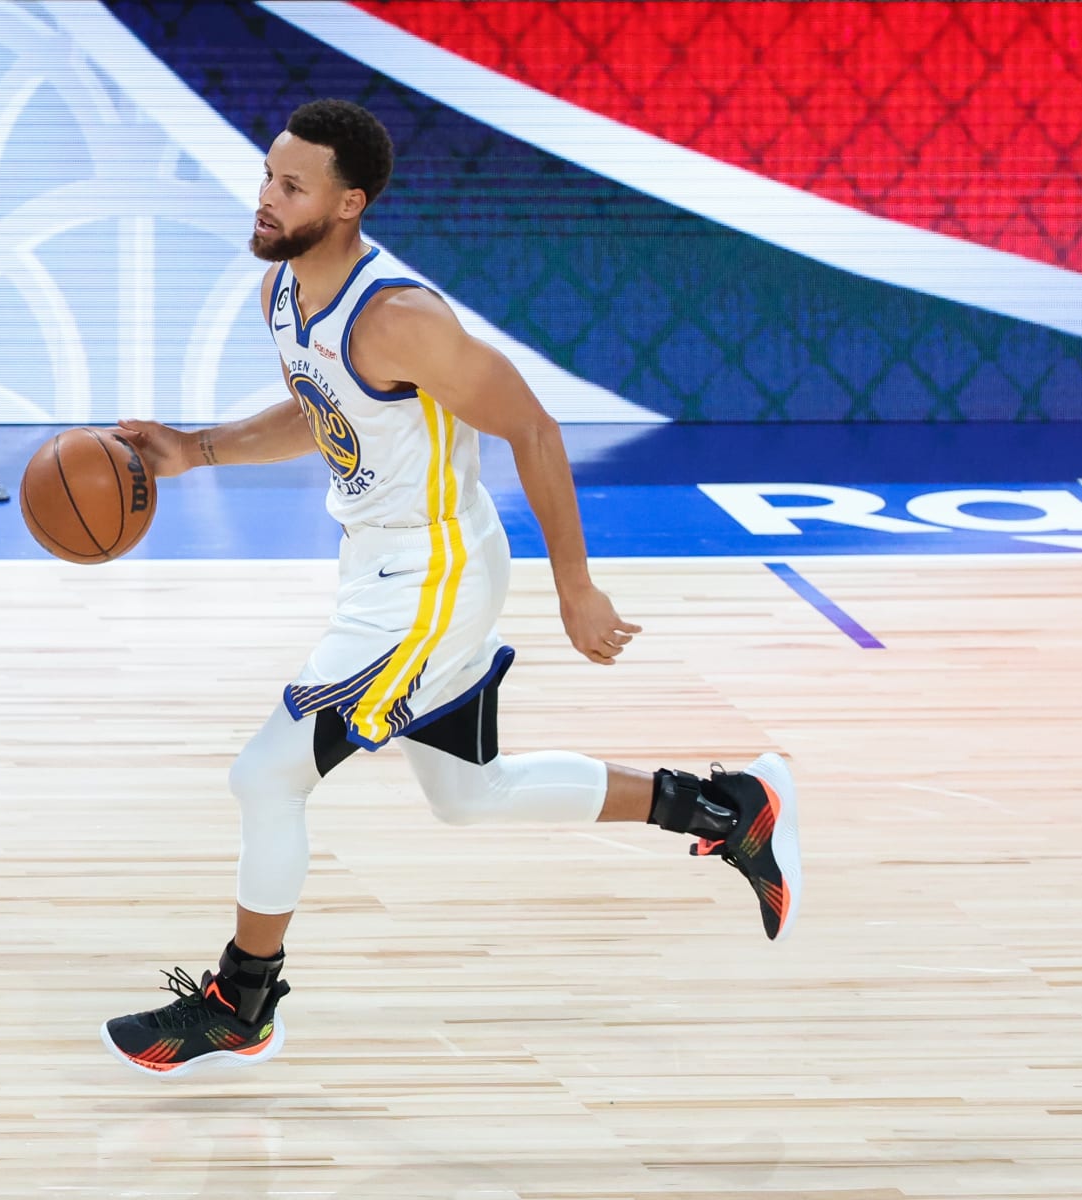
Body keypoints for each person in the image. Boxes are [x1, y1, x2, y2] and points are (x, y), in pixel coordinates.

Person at [101, 99, 800, 1079]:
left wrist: (577, 588)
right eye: (268, 174)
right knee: (474, 796)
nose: (265, 196)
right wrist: (200, 449)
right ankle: (729, 808)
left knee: (266, 776)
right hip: (382, 572)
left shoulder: (402, 318)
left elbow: (535, 428)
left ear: (349, 204)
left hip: (432, 578)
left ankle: (242, 1004)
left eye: (291, 186)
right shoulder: (285, 291)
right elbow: (320, 412)